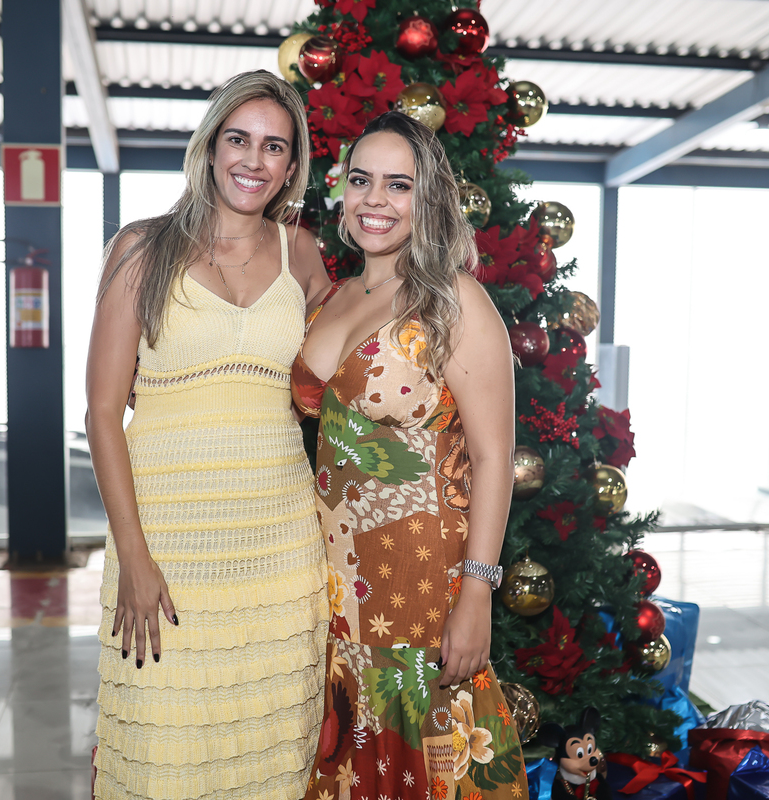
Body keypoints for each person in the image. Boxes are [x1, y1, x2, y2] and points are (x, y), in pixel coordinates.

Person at [85, 70, 332, 800]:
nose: (254, 160)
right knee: (164, 755)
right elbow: (102, 411)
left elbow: (345, 364)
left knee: (270, 762)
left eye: (274, 146)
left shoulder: (302, 254)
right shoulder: (143, 248)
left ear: (292, 164)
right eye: (239, 139)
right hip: (167, 550)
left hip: (280, 552)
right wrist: (134, 557)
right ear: (210, 146)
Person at [293, 111, 528, 799]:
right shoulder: (334, 296)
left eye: (399, 184)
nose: (375, 199)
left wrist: (478, 591)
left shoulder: (455, 300)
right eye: (361, 180)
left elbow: (494, 457)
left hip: (420, 586)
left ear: (428, 198)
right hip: (332, 589)